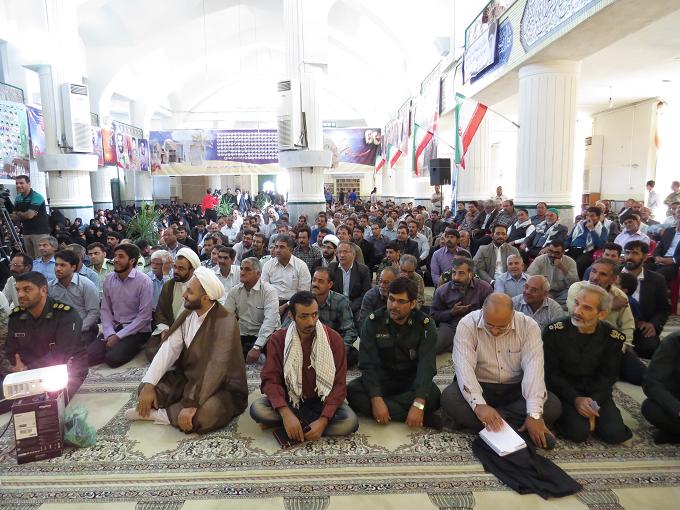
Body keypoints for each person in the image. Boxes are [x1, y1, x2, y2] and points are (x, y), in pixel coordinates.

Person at [127, 267, 248, 434]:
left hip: (221, 385)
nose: (184, 295)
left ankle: (161, 415)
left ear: (205, 298)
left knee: (204, 416)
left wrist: (192, 403)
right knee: (146, 389)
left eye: (190, 292)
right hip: (188, 377)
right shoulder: (188, 314)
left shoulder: (225, 321)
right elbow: (169, 350)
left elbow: (216, 368)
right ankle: (174, 411)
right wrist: (149, 384)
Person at [441, 294, 562, 448]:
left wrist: (534, 414)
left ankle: (492, 425)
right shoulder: (467, 324)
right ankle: (517, 428)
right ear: (482, 311)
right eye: (489, 325)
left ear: (513, 315)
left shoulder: (528, 326)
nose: (495, 331)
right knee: (450, 398)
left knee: (552, 405)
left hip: (516, 390)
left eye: (502, 327)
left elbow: (534, 370)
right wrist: (479, 406)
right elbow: (464, 368)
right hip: (481, 386)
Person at [250, 291, 359, 441]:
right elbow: (270, 379)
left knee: (349, 422)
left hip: (322, 401)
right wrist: (285, 413)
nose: (311, 322)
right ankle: (297, 423)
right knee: (258, 409)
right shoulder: (278, 339)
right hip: (291, 399)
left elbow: (339, 385)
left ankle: (296, 426)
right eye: (304, 316)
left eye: (314, 315)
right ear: (291, 316)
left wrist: (323, 421)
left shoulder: (333, 339)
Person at [543, 284, 632, 444]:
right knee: (579, 433)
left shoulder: (612, 337)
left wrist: (593, 404)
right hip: (565, 391)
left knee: (615, 434)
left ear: (602, 314)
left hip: (596, 392)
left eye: (586, 308)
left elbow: (608, 377)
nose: (577, 311)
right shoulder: (554, 331)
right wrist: (576, 399)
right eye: (577, 303)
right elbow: (551, 374)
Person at [347, 278, 441, 429]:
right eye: (391, 299)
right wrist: (376, 399)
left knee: (434, 395)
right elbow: (367, 364)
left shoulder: (425, 325)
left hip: (410, 380)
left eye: (401, 301)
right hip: (382, 379)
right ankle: (418, 415)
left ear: (412, 304)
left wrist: (418, 403)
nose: (394, 305)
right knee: (352, 390)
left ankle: (399, 409)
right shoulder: (373, 322)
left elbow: (426, 366)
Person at [1, 271, 88, 413]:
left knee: (47, 406)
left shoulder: (65, 314)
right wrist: (16, 370)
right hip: (28, 374)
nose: (20, 295)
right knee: (6, 399)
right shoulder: (17, 317)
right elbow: (11, 351)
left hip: (64, 371)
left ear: (43, 290)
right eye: (18, 290)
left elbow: (62, 354)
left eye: (27, 289)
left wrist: (26, 370)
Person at [90, 243, 153, 367]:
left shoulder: (144, 281)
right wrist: (110, 333)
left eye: (121, 256)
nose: (116, 260)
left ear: (132, 260)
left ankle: (137, 345)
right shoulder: (109, 279)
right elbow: (105, 309)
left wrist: (118, 337)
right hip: (116, 326)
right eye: (115, 256)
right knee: (88, 356)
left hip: (137, 330)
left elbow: (144, 317)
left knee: (112, 359)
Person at [145, 248, 200, 361]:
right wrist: (164, 329)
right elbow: (161, 311)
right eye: (175, 267)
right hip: (170, 328)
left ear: (192, 270)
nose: (176, 271)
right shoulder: (169, 285)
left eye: (181, 268)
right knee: (152, 352)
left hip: (191, 331)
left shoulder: (200, 288)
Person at [430, 257, 493, 355]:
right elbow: (433, 315)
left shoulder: (484, 288)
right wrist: (451, 312)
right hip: (451, 326)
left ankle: (457, 345)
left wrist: (475, 316)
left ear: (471, 274)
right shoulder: (442, 291)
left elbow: (490, 313)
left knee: (489, 348)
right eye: (454, 273)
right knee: (432, 347)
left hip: (476, 327)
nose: (456, 278)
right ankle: (459, 345)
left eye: (461, 273)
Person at [224, 257, 280, 363]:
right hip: (243, 335)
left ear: (258, 274)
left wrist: (257, 347)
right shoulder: (234, 291)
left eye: (247, 269)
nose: (242, 272)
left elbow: (270, 322)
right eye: (241, 269)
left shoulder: (269, 291)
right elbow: (226, 319)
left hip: (266, 337)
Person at [621, 241, 669, 359]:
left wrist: (653, 324)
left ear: (645, 257)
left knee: (651, 348)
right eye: (627, 253)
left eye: (635, 253)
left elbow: (663, 309)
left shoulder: (657, 279)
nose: (630, 257)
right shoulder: (613, 274)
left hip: (641, 327)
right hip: (614, 326)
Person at [302, 268, 358, 366]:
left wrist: (339, 349)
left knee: (353, 355)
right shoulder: (305, 300)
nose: (315, 284)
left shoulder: (340, 301)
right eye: (314, 280)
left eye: (320, 281)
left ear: (330, 285)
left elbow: (350, 331)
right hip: (310, 343)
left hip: (332, 344)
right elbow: (290, 326)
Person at [48, 250, 100, 345]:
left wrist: (77, 329)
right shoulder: (50, 286)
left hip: (83, 328)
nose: (58, 269)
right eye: (56, 265)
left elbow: (94, 312)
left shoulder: (86, 284)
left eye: (63, 265)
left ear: (73, 267)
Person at [641, 331, 680, 444]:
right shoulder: (673, 342)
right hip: (676, 399)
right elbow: (651, 382)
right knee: (650, 408)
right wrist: (677, 408)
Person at [328, 241, 372, 330]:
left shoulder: (363, 270)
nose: (341, 255)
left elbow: (366, 294)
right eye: (339, 252)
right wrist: (339, 305)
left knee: (362, 319)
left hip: (355, 306)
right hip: (336, 305)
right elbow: (329, 290)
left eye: (345, 252)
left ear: (353, 254)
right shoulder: (332, 268)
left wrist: (350, 307)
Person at [261, 234, 312, 308]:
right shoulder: (268, 265)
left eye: (282, 247)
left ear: (291, 250)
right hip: (271, 302)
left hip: (294, 303)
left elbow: (303, 293)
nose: (278, 250)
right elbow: (263, 289)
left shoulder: (301, 266)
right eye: (276, 247)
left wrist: (286, 305)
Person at [527, 240, 578, 306]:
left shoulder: (570, 262)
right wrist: (544, 292)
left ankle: (549, 304)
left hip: (561, 293)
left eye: (557, 253)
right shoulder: (539, 260)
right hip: (543, 292)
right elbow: (529, 278)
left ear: (563, 252)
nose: (553, 255)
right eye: (550, 251)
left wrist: (563, 268)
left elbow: (574, 283)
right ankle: (555, 305)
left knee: (575, 293)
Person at [12, 175, 51, 259]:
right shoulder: (18, 198)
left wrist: (19, 213)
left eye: (21, 183)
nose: (18, 185)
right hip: (26, 232)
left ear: (29, 184)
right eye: (17, 183)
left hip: (40, 233)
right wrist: (23, 214)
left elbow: (29, 215)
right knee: (30, 260)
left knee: (41, 259)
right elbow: (13, 216)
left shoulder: (37, 197)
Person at [565, 206, 608, 278]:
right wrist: (562, 248)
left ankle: (575, 281)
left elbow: (601, 245)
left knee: (578, 264)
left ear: (598, 217)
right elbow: (569, 239)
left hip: (588, 252)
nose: (589, 218)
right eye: (587, 215)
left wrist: (592, 230)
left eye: (592, 216)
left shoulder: (602, 229)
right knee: (562, 260)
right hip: (573, 249)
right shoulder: (579, 225)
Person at [645, 206, 680, 283]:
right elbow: (659, 247)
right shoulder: (669, 231)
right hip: (660, 260)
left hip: (675, 264)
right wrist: (657, 256)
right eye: (679, 212)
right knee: (640, 269)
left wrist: (673, 260)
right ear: (675, 215)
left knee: (655, 277)